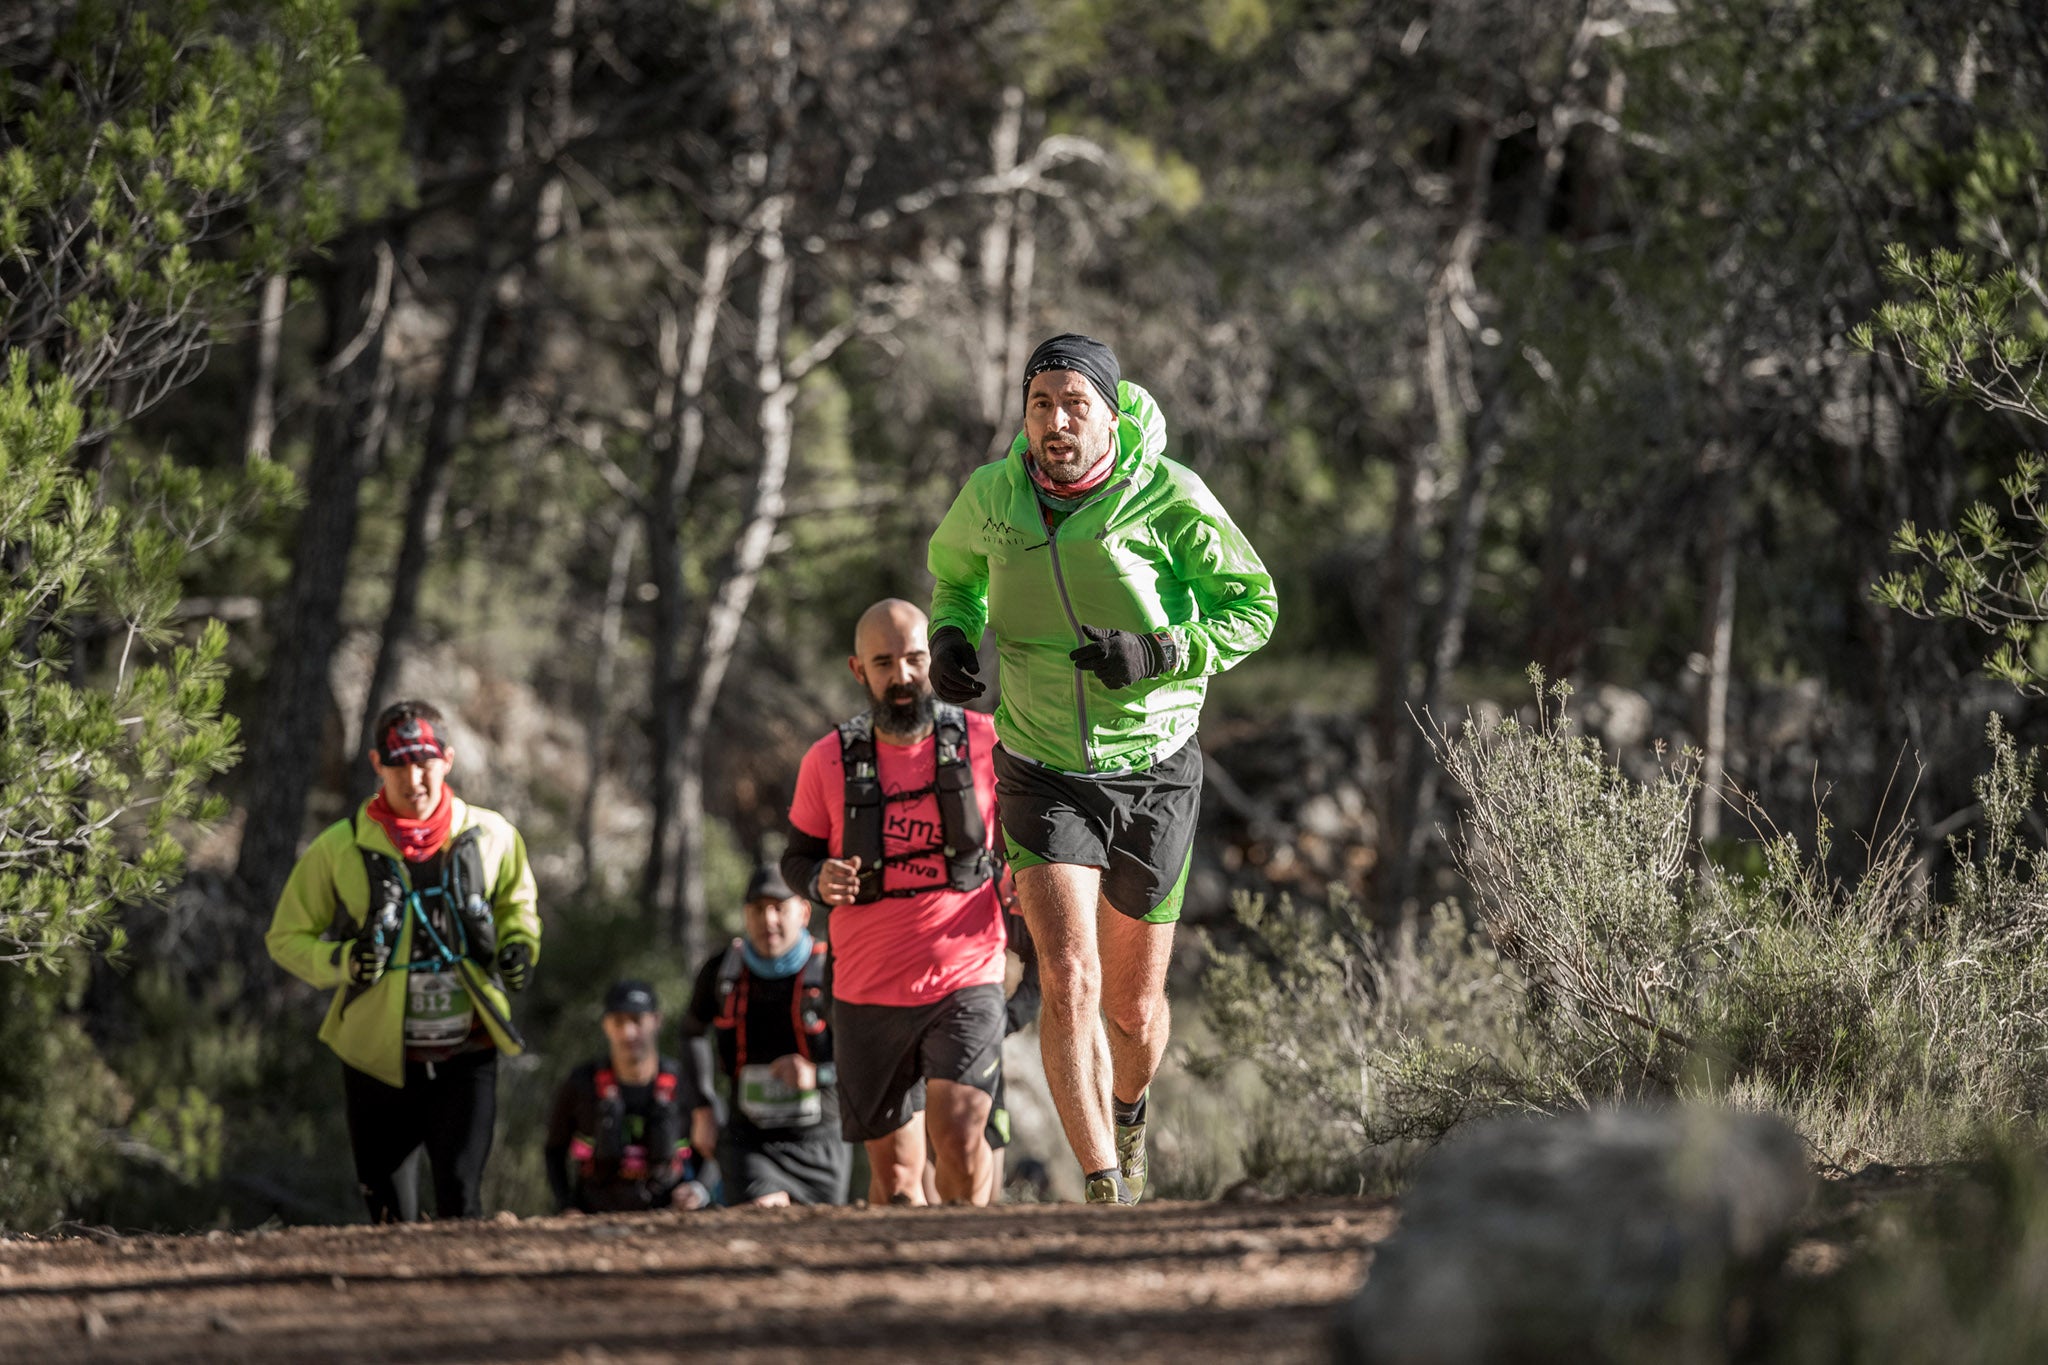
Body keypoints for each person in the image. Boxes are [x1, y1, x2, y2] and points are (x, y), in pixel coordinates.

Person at [925, 335, 1278, 1203]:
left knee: (1130, 1012)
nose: (1055, 421)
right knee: (1068, 975)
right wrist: (951, 638)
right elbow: (955, 577)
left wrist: (1160, 650)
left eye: (1075, 404)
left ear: (1111, 413)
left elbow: (1255, 606)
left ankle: (1130, 1108)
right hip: (1040, 762)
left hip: (1153, 768)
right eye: (1040, 404)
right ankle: (1104, 1183)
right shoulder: (994, 496)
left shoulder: (1169, 495)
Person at [266, 699, 541, 1222]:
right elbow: (285, 937)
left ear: (449, 759)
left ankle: (466, 1303)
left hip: (467, 1051)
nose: (413, 778)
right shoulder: (338, 848)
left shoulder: (494, 835)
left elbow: (518, 905)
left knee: (461, 1201)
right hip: (376, 1060)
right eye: (398, 762)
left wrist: (519, 947)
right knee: (391, 1217)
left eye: (425, 760)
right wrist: (345, 960)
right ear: (376, 764)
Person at [781, 598, 1011, 1207]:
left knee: (961, 1141)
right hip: (866, 992)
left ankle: (974, 1280)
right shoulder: (826, 760)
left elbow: (1030, 841)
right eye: (885, 663)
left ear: (932, 660)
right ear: (859, 671)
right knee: (898, 1181)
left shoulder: (987, 743)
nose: (903, 676)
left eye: (914, 659)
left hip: (967, 976)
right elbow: (796, 858)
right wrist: (817, 880)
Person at [681, 865, 850, 1207]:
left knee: (817, 1243)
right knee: (762, 1220)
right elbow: (691, 1032)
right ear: (745, 915)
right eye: (757, 909)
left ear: (803, 912)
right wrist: (702, 1107)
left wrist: (818, 1074)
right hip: (750, 1139)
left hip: (820, 1141)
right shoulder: (722, 971)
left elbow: (865, 1053)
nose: (768, 920)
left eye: (778, 908)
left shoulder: (833, 968)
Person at [544, 979, 711, 1214]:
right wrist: (567, 1205)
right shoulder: (581, 1083)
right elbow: (554, 1149)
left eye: (637, 1020)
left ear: (656, 1021)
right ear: (606, 1026)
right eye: (618, 1022)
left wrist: (699, 1189)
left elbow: (712, 1146)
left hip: (670, 1213)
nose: (628, 1032)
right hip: (594, 1214)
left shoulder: (684, 1083)